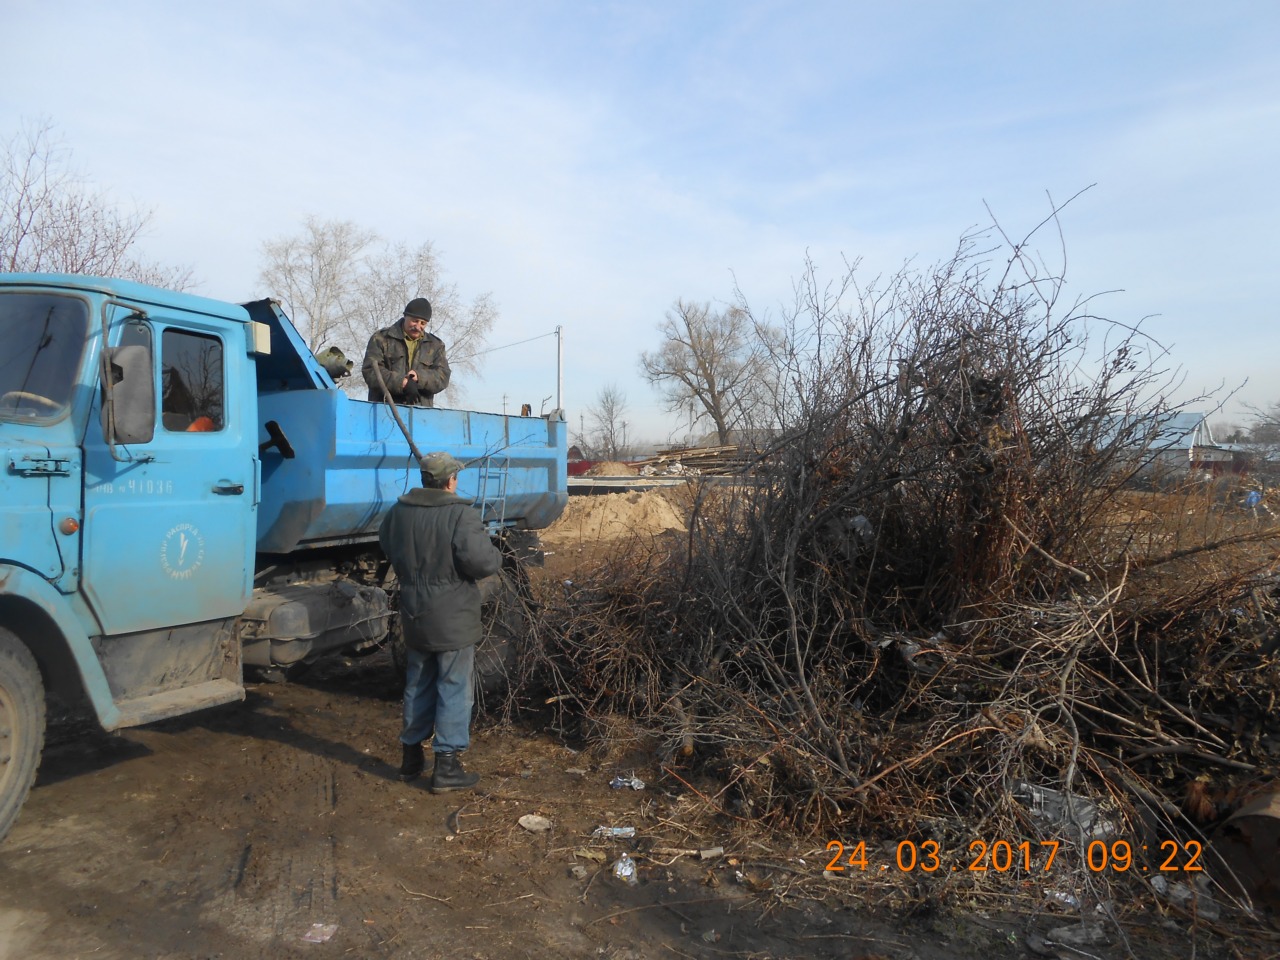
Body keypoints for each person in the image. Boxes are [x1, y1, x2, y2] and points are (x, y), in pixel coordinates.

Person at [378, 451, 503, 793]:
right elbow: (481, 563)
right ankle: (446, 766)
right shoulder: (460, 515)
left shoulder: (398, 513)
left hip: (415, 613)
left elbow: (387, 545)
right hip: (452, 618)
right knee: (454, 687)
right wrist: (496, 552)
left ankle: (410, 759)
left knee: (417, 682)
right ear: (450, 481)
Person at [362, 297, 451, 407]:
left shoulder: (436, 345)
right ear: (405, 316)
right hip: (384, 409)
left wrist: (419, 377)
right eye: (414, 321)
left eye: (423, 323)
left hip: (421, 413)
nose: (418, 326)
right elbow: (371, 371)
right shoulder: (382, 338)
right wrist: (402, 382)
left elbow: (443, 376)